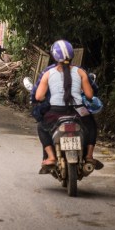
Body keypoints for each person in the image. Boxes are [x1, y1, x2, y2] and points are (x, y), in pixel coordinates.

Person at [32, 39, 103, 173]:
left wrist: (49, 97)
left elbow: (38, 96)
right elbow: (89, 95)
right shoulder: (80, 72)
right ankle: (89, 156)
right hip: (78, 111)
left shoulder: (48, 73)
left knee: (41, 127)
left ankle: (51, 157)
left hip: (55, 112)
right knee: (92, 125)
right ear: (72, 56)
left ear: (54, 56)